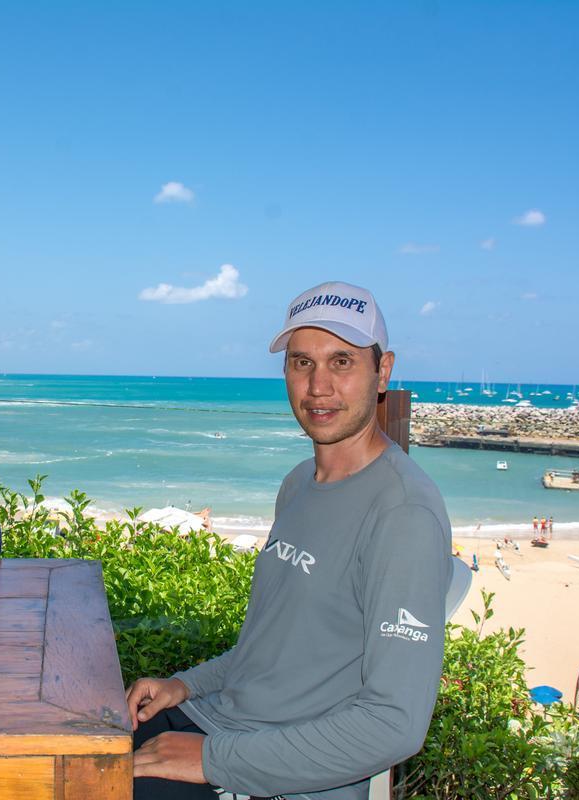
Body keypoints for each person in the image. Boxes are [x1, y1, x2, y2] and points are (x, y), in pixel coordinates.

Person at [127, 281, 451, 800]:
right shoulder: (299, 483)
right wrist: (185, 685)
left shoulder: (403, 513)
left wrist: (212, 761)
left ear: (383, 371)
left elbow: (396, 723)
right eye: (302, 363)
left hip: (278, 774)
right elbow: (271, 651)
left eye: (342, 362)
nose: (318, 386)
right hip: (217, 724)